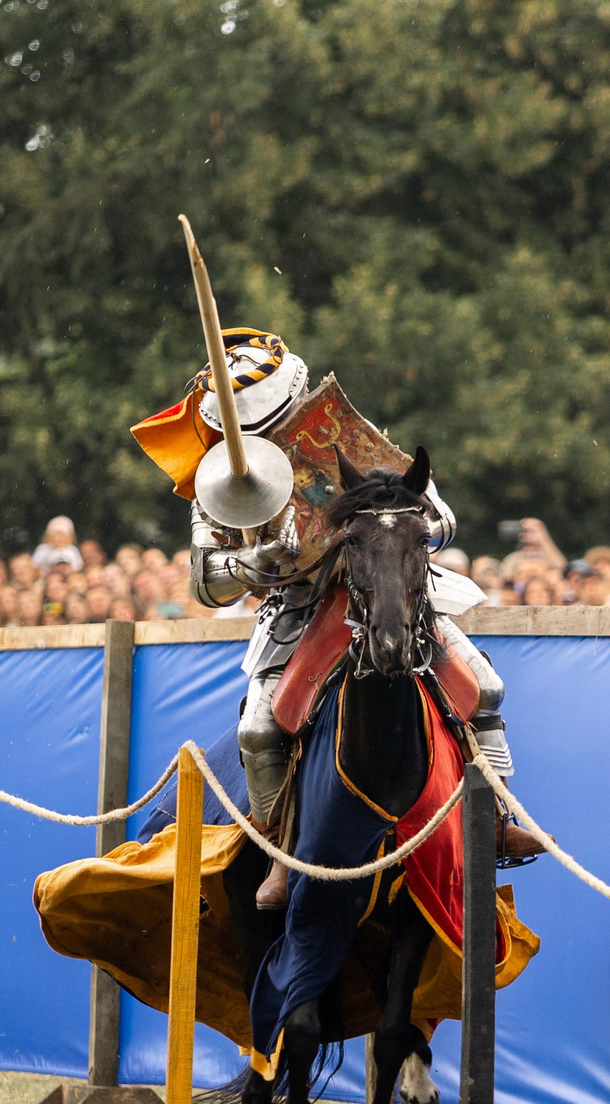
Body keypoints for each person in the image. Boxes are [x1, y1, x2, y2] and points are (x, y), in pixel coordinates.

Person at [129, 326, 539, 904]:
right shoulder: (214, 480)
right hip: (298, 613)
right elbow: (205, 582)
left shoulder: (342, 435)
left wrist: (402, 523)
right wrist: (254, 560)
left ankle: (493, 817)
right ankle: (276, 851)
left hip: (384, 594)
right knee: (260, 728)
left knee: (486, 688)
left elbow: (439, 517)